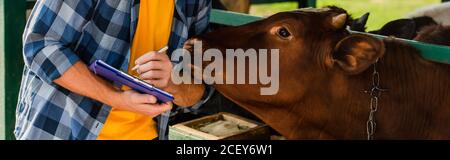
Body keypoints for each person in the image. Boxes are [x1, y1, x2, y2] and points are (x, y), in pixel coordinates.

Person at [15, 0, 212, 140]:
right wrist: (116, 98)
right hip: (65, 131)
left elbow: (199, 94)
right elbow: (40, 46)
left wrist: (173, 83)